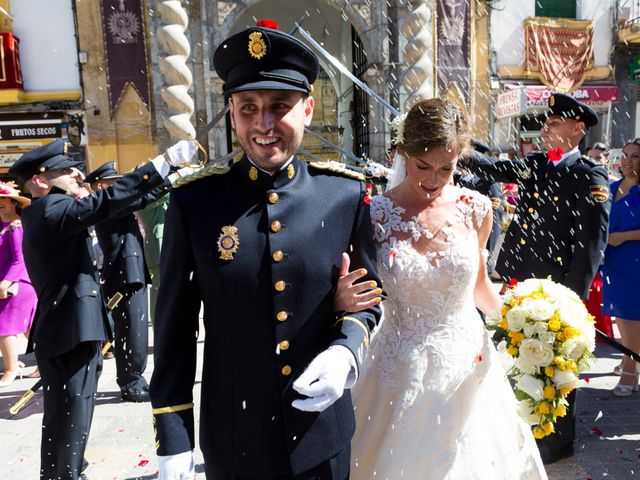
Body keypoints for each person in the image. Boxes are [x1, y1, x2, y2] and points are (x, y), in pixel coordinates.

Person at [149, 21, 382, 480]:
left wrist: (346, 351)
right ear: (231, 112)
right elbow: (173, 329)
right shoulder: (194, 202)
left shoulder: (342, 196)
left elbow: (369, 296)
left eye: (280, 106)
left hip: (322, 431)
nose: (264, 123)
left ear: (309, 108)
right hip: (234, 438)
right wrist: (173, 435)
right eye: (248, 108)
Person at [335, 98, 547, 479]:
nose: (433, 179)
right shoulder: (375, 214)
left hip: (467, 363)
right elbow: (363, 291)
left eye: (447, 168)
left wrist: (526, 321)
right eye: (423, 166)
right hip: (398, 366)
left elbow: (480, 287)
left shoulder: (478, 208)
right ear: (403, 153)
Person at [8, 138, 197, 480]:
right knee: (72, 410)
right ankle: (65, 474)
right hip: (70, 328)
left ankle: (62, 470)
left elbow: (117, 206)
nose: (76, 172)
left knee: (65, 411)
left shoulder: (46, 211)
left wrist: (169, 178)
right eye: (64, 170)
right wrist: (161, 162)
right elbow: (106, 200)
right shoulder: (51, 209)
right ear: (40, 179)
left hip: (66, 326)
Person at [463, 93, 611, 464]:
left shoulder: (588, 176)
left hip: (557, 289)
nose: (545, 128)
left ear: (578, 131)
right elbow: (495, 169)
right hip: (523, 282)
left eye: (555, 123)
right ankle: (528, 431)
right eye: (546, 122)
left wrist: (572, 301)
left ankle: (556, 443)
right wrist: (458, 148)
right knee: (526, 361)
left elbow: (590, 245)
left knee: (557, 366)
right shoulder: (537, 164)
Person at [86, 161, 170, 402]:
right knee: (131, 330)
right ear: (101, 185)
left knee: (136, 329)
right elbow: (142, 198)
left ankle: (135, 378)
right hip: (124, 272)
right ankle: (131, 382)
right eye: (114, 182)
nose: (120, 186)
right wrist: (166, 179)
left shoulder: (111, 202)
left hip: (130, 270)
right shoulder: (107, 203)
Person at [599, 139, 640, 396]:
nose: (627, 160)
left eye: (634, 156)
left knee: (632, 317)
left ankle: (629, 370)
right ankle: (630, 358)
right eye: (624, 155)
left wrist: (625, 237)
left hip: (635, 260)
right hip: (612, 261)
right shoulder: (611, 188)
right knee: (622, 318)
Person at [0, 182, 37, 386]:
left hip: (17, 283)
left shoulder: (16, 226)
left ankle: (11, 369)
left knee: (4, 327)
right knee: (30, 329)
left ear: (14, 203)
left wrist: (7, 281)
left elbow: (19, 258)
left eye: (2, 202)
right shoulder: (3, 226)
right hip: (11, 282)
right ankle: (45, 365)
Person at [135, 192, 169, 325]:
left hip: (165, 245)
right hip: (157, 248)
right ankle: (158, 328)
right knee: (159, 292)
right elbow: (168, 194)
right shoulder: (143, 197)